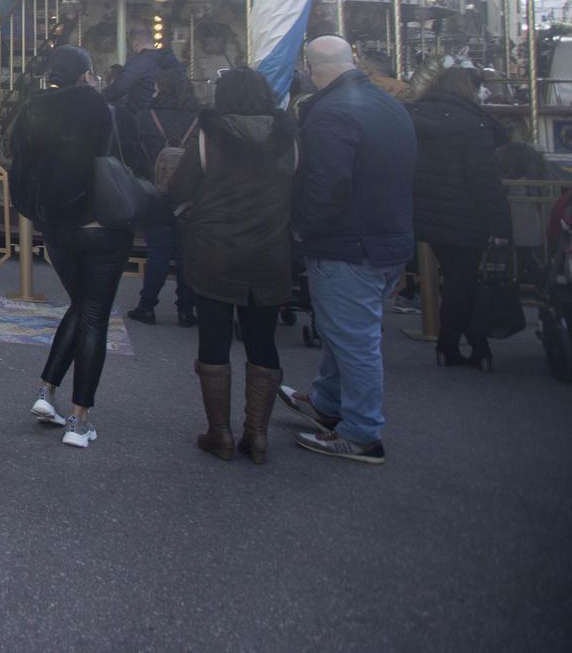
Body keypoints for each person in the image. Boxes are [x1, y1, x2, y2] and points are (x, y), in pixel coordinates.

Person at [277, 35, 416, 466]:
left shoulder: (331, 112)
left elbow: (328, 183)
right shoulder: (386, 105)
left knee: (354, 339)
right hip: (387, 235)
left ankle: (361, 432)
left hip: (348, 243)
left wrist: (301, 227)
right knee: (345, 333)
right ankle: (327, 402)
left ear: (310, 67)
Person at [166, 66, 298, 464]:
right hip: (270, 249)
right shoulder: (288, 138)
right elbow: (301, 187)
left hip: (216, 249)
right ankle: (256, 434)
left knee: (215, 336)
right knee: (262, 340)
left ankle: (219, 432)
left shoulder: (210, 136)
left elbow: (181, 188)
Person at [7, 45, 128, 448]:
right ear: (85, 74)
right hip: (100, 223)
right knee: (94, 313)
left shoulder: (33, 109)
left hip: (57, 227)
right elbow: (127, 161)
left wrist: (37, 208)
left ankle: (47, 390)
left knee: (82, 306)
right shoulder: (100, 109)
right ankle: (80, 420)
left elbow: (18, 164)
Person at [408, 64, 511, 370]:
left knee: (456, 280)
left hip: (423, 210)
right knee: (464, 282)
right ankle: (467, 343)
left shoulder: (414, 116)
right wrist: (500, 224)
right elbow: (484, 182)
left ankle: (453, 343)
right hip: (464, 214)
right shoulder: (473, 126)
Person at [126, 65, 201, 327]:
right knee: (185, 253)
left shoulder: (146, 117)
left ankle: (147, 305)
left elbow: (135, 155)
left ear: (161, 87)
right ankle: (185, 309)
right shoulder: (200, 118)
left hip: (156, 192)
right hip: (190, 194)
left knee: (157, 251)